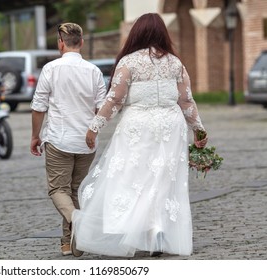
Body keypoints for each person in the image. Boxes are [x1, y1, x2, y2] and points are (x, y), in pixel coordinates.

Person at [71, 13, 208, 258]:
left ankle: (137, 230)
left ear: (137, 33)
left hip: (139, 125)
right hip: (170, 126)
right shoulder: (175, 63)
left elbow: (115, 99)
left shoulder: (129, 62)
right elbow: (186, 100)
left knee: (132, 178)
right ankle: (158, 230)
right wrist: (198, 128)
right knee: (164, 182)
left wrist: (94, 127)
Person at [30, 22, 107, 256]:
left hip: (58, 139)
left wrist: (35, 135)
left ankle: (76, 219)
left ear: (60, 43)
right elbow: (102, 108)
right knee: (75, 191)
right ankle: (68, 243)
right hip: (86, 142)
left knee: (57, 190)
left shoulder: (51, 69)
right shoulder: (94, 71)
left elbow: (39, 106)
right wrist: (93, 130)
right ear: (81, 42)